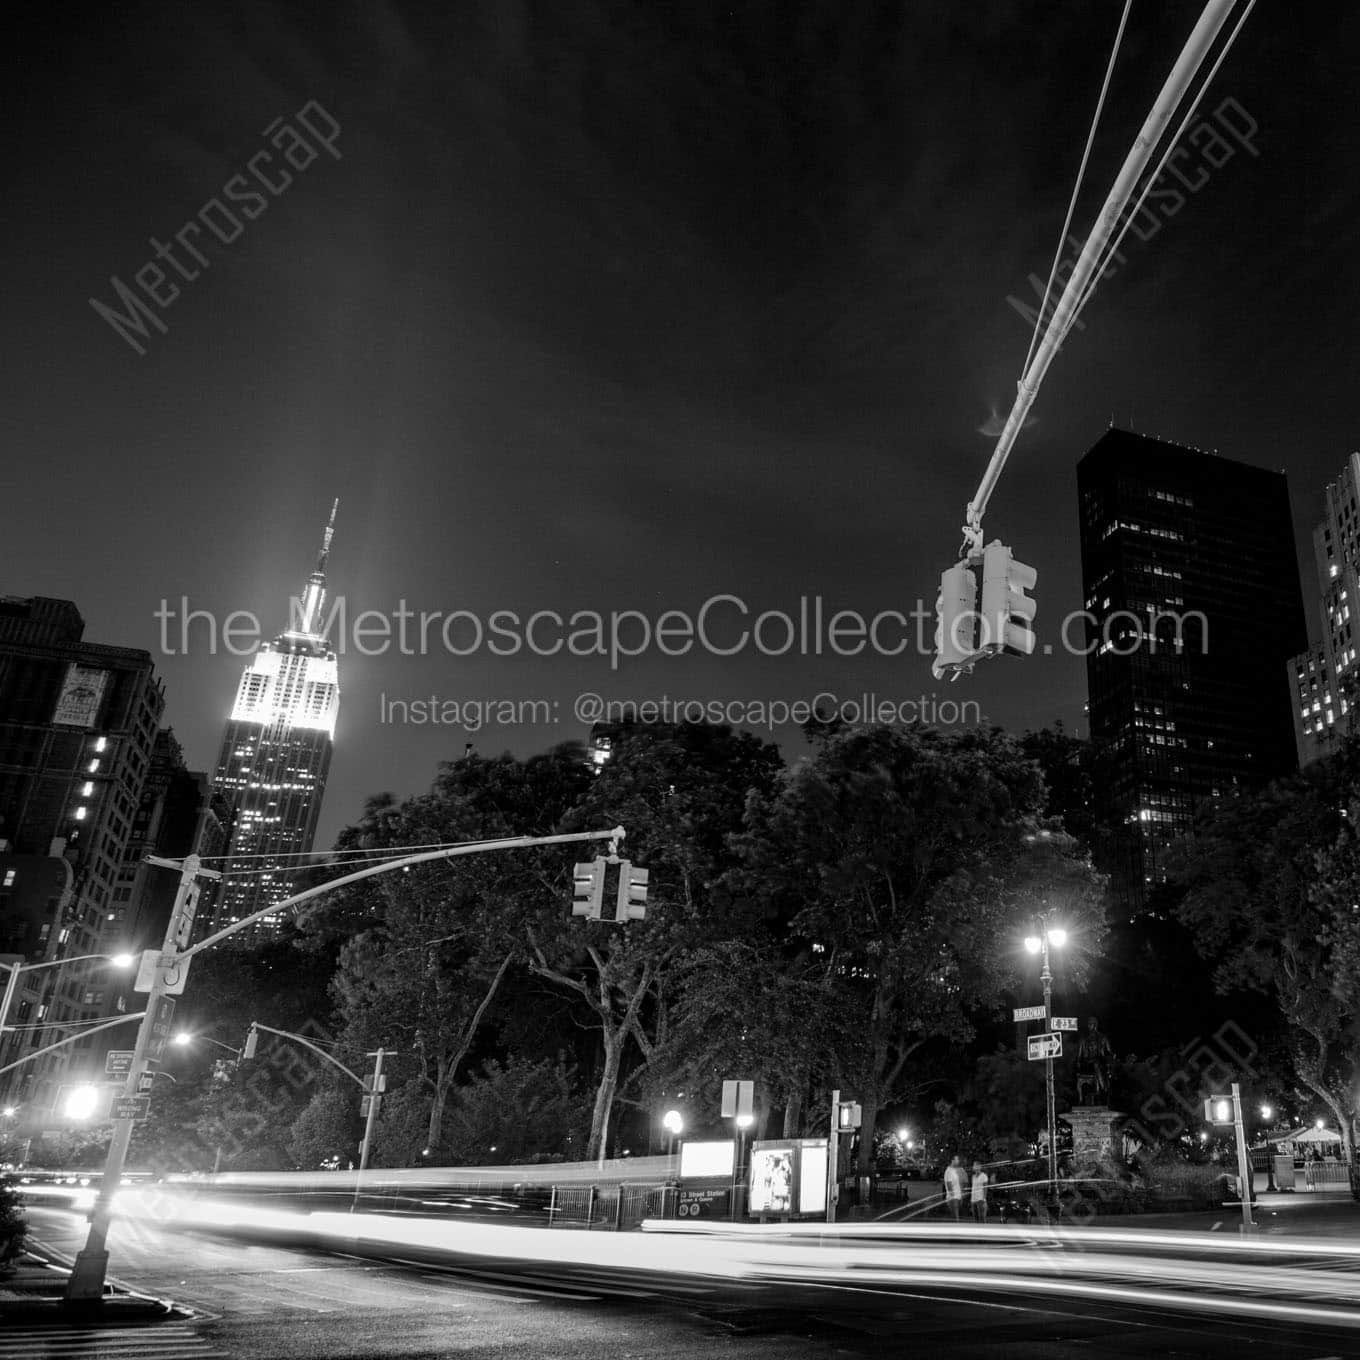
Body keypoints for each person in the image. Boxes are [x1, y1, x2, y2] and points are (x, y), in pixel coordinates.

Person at [944, 1155, 965, 1221]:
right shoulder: (949, 1171)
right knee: (956, 1219)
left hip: (957, 1197)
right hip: (953, 1198)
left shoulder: (954, 1170)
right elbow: (949, 1184)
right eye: (957, 1159)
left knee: (955, 1218)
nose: (958, 1161)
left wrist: (960, 1195)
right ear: (952, 1161)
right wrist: (952, 1196)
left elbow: (959, 1183)